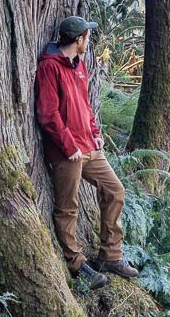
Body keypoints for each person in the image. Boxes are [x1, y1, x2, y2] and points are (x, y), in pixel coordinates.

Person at [34, 17, 139, 289]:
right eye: (87, 36)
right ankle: (76, 263)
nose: (89, 40)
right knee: (68, 207)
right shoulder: (50, 67)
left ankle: (110, 256)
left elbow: (85, 104)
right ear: (78, 40)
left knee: (114, 190)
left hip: (89, 147)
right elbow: (48, 114)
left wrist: (94, 133)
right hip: (66, 152)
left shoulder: (78, 65)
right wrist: (70, 147)